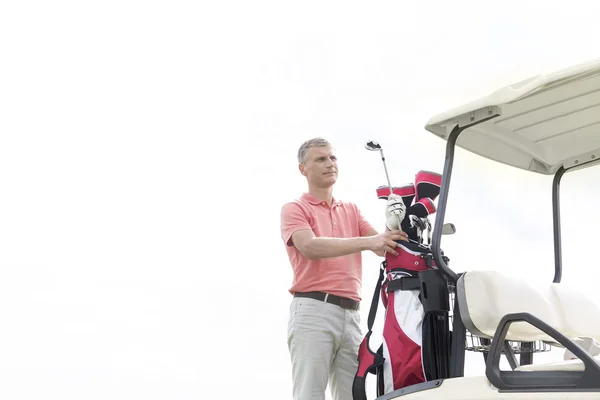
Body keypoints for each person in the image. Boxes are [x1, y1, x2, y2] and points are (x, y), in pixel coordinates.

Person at [280, 137, 408, 400]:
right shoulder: (295, 208)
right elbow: (310, 247)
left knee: (352, 395)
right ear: (303, 169)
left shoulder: (350, 209)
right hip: (313, 311)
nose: (330, 164)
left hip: (351, 317)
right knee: (310, 394)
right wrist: (370, 240)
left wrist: (393, 225)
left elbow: (383, 247)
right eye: (320, 159)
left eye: (332, 158)